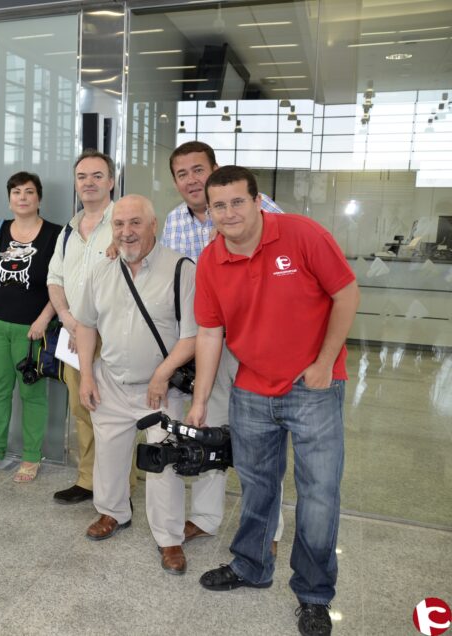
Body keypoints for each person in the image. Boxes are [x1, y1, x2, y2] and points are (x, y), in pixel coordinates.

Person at [186, 166, 359, 636]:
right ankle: (251, 566)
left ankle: (314, 595)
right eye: (218, 205)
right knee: (258, 488)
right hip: (251, 391)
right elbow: (209, 331)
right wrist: (200, 400)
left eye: (237, 202)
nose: (228, 213)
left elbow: (345, 293)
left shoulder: (301, 235)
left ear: (258, 201)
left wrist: (324, 363)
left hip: (314, 388)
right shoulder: (210, 261)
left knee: (319, 496)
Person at [162, 141, 285, 554]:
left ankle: (266, 527)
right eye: (182, 174)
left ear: (215, 170)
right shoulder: (174, 221)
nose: (192, 180)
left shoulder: (256, 206)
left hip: (258, 341)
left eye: (199, 170)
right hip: (207, 342)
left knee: (259, 438)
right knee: (208, 432)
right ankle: (206, 518)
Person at [73, 195, 198, 574]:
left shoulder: (181, 269)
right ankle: (113, 513)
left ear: (153, 225)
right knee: (109, 456)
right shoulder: (101, 270)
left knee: (165, 466)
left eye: (135, 224)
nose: (126, 232)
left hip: (162, 390)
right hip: (111, 382)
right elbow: (86, 325)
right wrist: (86, 375)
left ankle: (169, 538)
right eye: (119, 224)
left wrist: (162, 373)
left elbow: (193, 336)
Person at [46, 149, 136, 505]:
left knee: (118, 415)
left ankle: (121, 487)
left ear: (111, 181)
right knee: (83, 408)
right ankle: (87, 479)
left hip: (115, 335)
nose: (89, 182)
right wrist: (67, 317)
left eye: (97, 175)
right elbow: (55, 278)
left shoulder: (124, 223)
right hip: (74, 334)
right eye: (82, 176)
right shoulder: (69, 229)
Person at [0, 171, 61, 482]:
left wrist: (45, 318)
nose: (22, 197)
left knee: (32, 392)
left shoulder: (55, 235)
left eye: (29, 191)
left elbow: (63, 283)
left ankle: (32, 456)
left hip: (32, 330)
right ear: (9, 200)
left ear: (39, 198)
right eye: (16, 192)